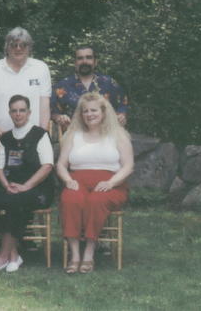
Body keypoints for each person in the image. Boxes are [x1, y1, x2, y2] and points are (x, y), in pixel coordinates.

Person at [56, 92, 134, 274]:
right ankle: (75, 255)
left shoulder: (118, 135)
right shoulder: (72, 135)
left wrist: (111, 182)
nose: (89, 114)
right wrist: (68, 180)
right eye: (85, 111)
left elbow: (128, 166)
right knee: (70, 200)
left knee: (96, 201)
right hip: (78, 181)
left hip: (110, 183)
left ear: (104, 112)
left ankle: (89, 253)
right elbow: (60, 164)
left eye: (94, 110)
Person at [0, 95, 54, 272]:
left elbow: (47, 166)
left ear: (29, 112)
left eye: (22, 110)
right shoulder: (5, 138)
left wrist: (26, 186)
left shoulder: (40, 134)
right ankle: (14, 255)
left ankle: (3, 255)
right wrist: (6, 185)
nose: (18, 114)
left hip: (38, 188)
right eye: (14, 111)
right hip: (11, 186)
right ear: (10, 113)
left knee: (16, 202)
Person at [0, 27, 51, 140]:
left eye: (23, 45)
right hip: (1, 137)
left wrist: (42, 134)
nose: (18, 48)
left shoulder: (41, 68)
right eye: (14, 45)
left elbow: (44, 105)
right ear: (7, 47)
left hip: (34, 138)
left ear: (29, 48)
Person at [51, 45, 129, 131]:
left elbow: (123, 103)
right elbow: (52, 112)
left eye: (89, 57)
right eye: (80, 58)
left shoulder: (109, 82)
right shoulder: (62, 86)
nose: (84, 61)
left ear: (95, 62)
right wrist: (59, 117)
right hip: (74, 135)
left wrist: (122, 115)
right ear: (75, 63)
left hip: (106, 134)